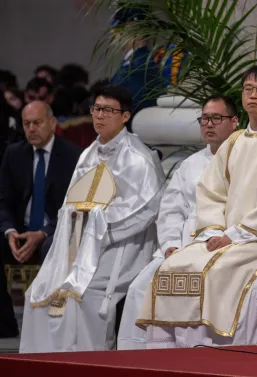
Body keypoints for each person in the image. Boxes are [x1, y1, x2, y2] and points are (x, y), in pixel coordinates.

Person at [137, 65, 257, 348]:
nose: (253, 95)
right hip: (225, 237)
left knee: (216, 272)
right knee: (173, 265)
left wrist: (235, 235)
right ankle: (171, 354)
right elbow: (211, 192)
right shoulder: (234, 141)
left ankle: (216, 352)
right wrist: (214, 231)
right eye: (248, 89)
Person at [19, 85, 165, 353]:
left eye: (108, 110)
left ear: (125, 116)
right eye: (96, 109)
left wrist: (97, 220)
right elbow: (69, 203)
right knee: (37, 294)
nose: (100, 116)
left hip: (121, 246)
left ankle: (85, 366)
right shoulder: (88, 154)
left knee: (81, 296)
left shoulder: (139, 157)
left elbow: (145, 210)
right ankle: (44, 370)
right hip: (79, 242)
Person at [117, 95, 239, 350]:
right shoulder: (189, 165)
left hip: (222, 245)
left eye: (216, 118)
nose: (209, 124)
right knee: (141, 287)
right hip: (182, 245)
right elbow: (171, 210)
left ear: (234, 122)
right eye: (204, 118)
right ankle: (140, 362)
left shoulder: (245, 162)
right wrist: (171, 244)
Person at [0, 101, 81, 338]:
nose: (31, 129)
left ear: (52, 123)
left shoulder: (74, 156)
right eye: (27, 124)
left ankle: (51, 325)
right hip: (20, 230)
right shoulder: (14, 154)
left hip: (54, 230)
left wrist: (44, 233)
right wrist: (10, 231)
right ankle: (5, 325)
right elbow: (3, 200)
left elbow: (74, 207)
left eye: (37, 123)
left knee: (53, 247)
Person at [109, 2, 166, 126]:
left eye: (119, 27)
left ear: (134, 28)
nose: (113, 32)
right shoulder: (133, 62)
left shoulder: (140, 67)